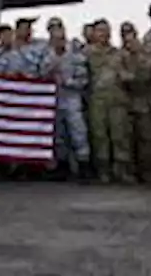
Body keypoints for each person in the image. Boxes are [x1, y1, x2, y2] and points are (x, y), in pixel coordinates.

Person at [85, 19, 135, 183]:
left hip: (118, 100)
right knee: (100, 136)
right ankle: (103, 170)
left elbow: (132, 74)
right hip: (97, 101)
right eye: (100, 31)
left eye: (106, 30)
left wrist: (126, 75)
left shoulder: (119, 54)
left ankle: (122, 170)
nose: (103, 34)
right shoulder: (87, 53)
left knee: (120, 136)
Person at [120, 22, 151, 183]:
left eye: (132, 34)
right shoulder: (121, 57)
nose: (129, 39)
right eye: (125, 35)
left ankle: (150, 171)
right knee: (133, 141)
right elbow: (124, 78)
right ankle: (135, 172)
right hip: (133, 105)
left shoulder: (149, 56)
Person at [48, 19, 90, 182]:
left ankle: (84, 165)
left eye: (59, 29)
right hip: (54, 99)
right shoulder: (46, 53)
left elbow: (83, 79)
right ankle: (62, 166)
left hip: (72, 98)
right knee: (59, 135)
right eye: (52, 29)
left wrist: (68, 82)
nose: (56, 33)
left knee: (78, 133)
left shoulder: (75, 53)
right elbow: (38, 73)